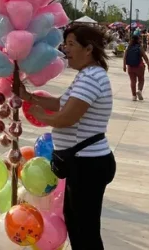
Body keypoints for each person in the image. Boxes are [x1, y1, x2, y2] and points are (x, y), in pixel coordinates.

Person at [18, 24, 115, 250]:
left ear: (88, 49)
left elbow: (67, 117)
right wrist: (30, 97)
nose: (66, 49)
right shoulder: (87, 75)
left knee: (85, 230)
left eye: (71, 44)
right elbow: (63, 102)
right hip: (83, 165)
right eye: (66, 43)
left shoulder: (91, 77)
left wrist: (42, 116)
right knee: (77, 225)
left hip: (88, 166)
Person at [123, 35, 149, 101]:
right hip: (139, 66)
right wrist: (148, 65)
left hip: (130, 67)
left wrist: (124, 65)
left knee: (133, 81)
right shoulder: (139, 47)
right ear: (138, 40)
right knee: (141, 80)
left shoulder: (128, 47)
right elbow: (144, 56)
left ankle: (133, 96)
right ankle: (139, 91)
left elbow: (124, 57)